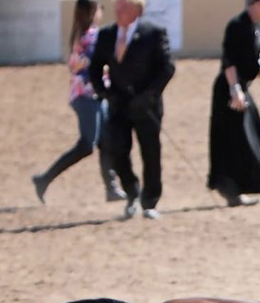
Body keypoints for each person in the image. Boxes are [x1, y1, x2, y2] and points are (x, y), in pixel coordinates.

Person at [32, 0, 125, 204]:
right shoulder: (92, 37)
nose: (102, 11)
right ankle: (44, 179)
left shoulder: (81, 35)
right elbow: (98, 67)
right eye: (99, 8)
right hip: (87, 96)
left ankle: (111, 188)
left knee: (106, 142)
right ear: (92, 12)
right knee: (87, 145)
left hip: (90, 95)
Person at [89, 0, 175, 220]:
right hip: (119, 104)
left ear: (137, 10)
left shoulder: (153, 33)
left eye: (123, 7)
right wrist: (104, 92)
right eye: (117, 6)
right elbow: (95, 66)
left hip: (146, 105)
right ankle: (131, 192)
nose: (118, 10)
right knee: (116, 149)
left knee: (151, 153)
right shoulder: (107, 34)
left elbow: (167, 67)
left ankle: (150, 201)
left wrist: (150, 94)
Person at [208, 0, 260, 208]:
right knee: (235, 140)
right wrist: (235, 91)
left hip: (242, 88)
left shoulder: (254, 28)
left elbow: (257, 62)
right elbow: (229, 61)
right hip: (229, 91)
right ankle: (231, 189)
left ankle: (237, 187)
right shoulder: (237, 26)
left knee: (255, 133)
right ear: (259, 4)